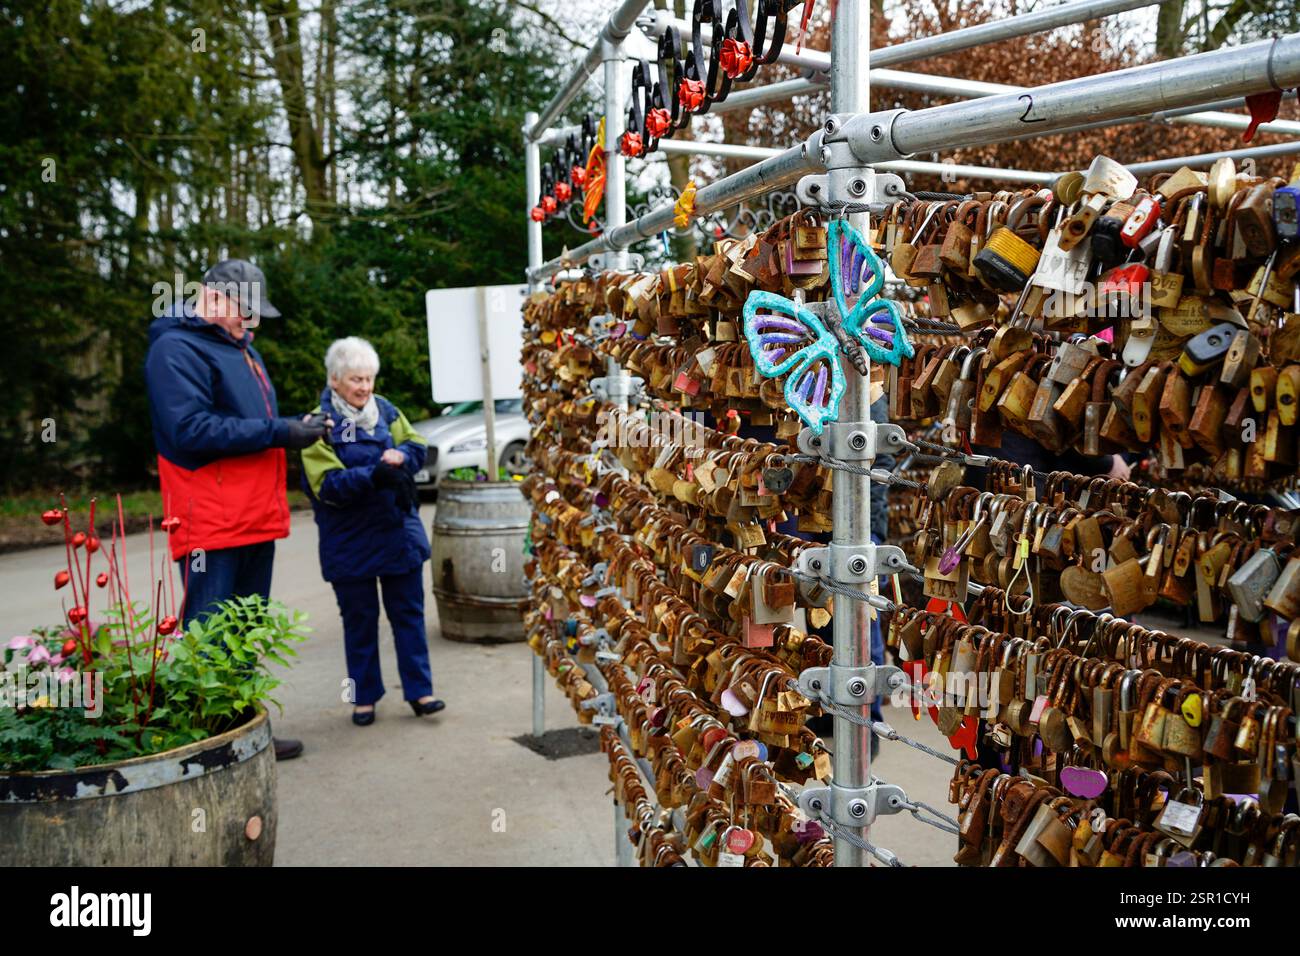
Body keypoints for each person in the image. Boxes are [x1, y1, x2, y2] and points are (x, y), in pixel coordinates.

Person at [145, 258, 330, 762]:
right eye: (245, 312)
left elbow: (249, 421)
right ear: (216, 299)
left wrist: (293, 426)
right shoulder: (175, 349)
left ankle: (243, 736)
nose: (251, 324)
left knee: (245, 634)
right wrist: (280, 432)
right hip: (208, 520)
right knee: (208, 637)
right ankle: (204, 747)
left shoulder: (240, 349)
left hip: (252, 517)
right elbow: (191, 431)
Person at [300, 337, 445, 726]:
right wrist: (374, 475)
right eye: (355, 380)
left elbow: (416, 443)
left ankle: (421, 691)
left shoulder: (386, 411)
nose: (364, 387)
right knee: (359, 622)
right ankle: (363, 698)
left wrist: (404, 456)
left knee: (409, 616)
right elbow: (326, 484)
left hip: (397, 533)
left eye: (368, 379)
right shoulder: (317, 425)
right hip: (348, 540)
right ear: (334, 380)